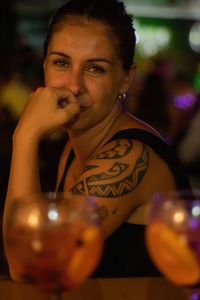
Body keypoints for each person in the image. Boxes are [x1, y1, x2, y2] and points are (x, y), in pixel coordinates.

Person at [3, 0, 191, 279]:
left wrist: (25, 136)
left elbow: (30, 266)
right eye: (61, 63)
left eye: (95, 69)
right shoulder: (73, 144)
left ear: (126, 80)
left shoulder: (130, 154)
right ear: (45, 67)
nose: (74, 85)